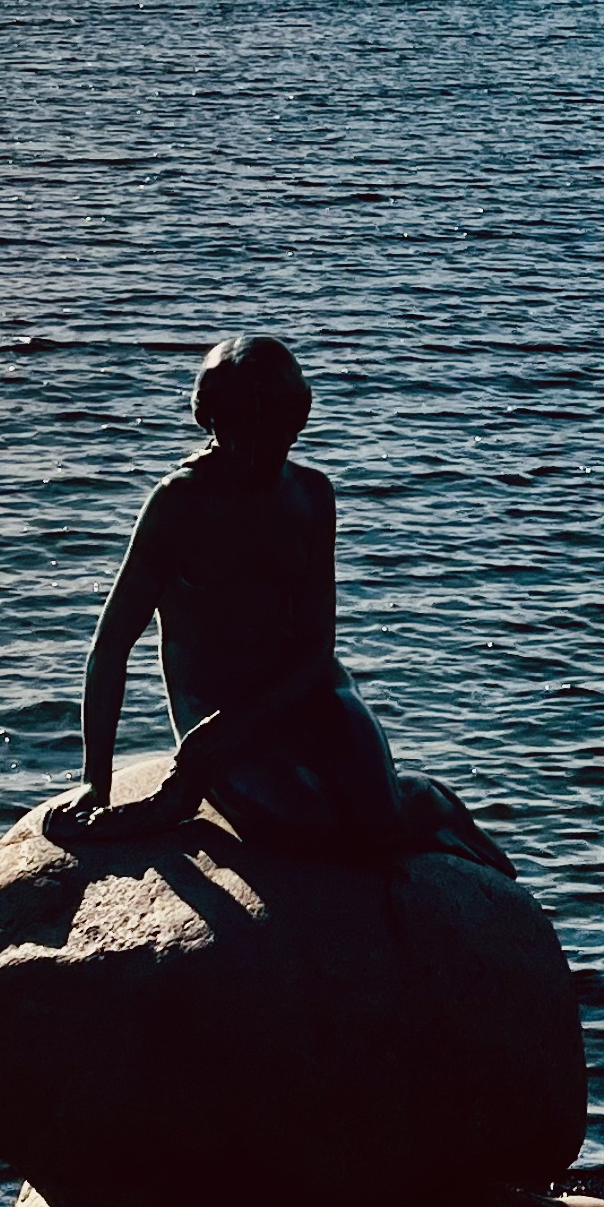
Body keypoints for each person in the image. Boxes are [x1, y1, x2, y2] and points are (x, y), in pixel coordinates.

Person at [41, 337, 505, 871]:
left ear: (297, 423)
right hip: (214, 707)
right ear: (211, 421)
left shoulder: (310, 495)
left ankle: (432, 805)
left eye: (275, 430)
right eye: (239, 428)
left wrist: (248, 722)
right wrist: (95, 783)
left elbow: (316, 644)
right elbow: (109, 648)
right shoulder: (178, 505)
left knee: (380, 820)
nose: (257, 448)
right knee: (304, 826)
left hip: (307, 687)